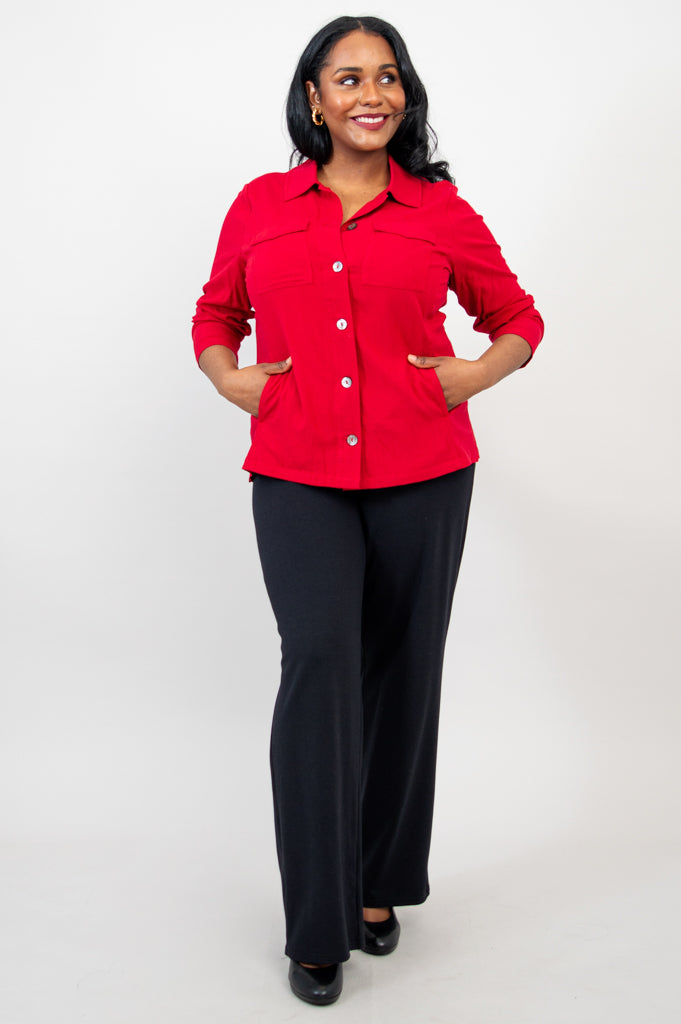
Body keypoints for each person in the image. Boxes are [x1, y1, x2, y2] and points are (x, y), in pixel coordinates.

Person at [191, 14, 544, 1007]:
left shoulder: (439, 210)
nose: (370, 94)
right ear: (314, 99)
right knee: (318, 666)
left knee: (401, 672)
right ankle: (318, 922)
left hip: (423, 469)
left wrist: (471, 374)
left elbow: (517, 317)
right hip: (297, 470)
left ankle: (379, 880)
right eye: (347, 78)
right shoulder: (261, 205)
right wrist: (229, 376)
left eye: (386, 76)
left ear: (405, 94)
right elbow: (217, 313)